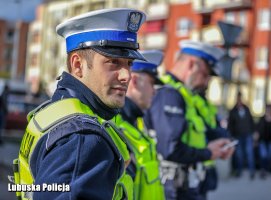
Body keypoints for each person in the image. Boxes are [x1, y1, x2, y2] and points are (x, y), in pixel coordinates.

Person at [13, 8, 146, 200]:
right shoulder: (84, 139)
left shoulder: (55, 111)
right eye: (113, 62)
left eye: (129, 64)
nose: (127, 76)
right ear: (78, 65)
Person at [144, 40, 233, 200]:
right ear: (192, 65)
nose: (206, 82)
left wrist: (223, 143)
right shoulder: (169, 95)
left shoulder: (187, 95)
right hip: (174, 188)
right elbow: (170, 149)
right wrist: (208, 152)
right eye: (205, 75)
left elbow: (206, 131)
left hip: (187, 184)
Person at [115, 50, 165, 200]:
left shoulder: (135, 122)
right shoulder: (115, 128)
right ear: (135, 81)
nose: (154, 92)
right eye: (152, 84)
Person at [192, 49, 233, 198]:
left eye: (209, 77)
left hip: (205, 166)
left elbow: (215, 127)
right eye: (206, 75)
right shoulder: (189, 99)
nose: (207, 81)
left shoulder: (205, 101)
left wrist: (226, 140)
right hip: (193, 167)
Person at [227, 91, 256, 179]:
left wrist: (254, 132)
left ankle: (252, 172)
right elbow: (230, 125)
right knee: (239, 154)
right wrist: (230, 136)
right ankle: (239, 171)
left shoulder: (246, 109)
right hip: (237, 135)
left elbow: (251, 121)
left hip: (247, 134)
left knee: (249, 153)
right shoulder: (233, 111)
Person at [256, 103, 271, 179]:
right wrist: (256, 138)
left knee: (269, 156)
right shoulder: (262, 119)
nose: (268, 110)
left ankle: (266, 170)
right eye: (267, 109)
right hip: (262, 140)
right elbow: (258, 130)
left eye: (269, 109)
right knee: (263, 155)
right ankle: (262, 170)